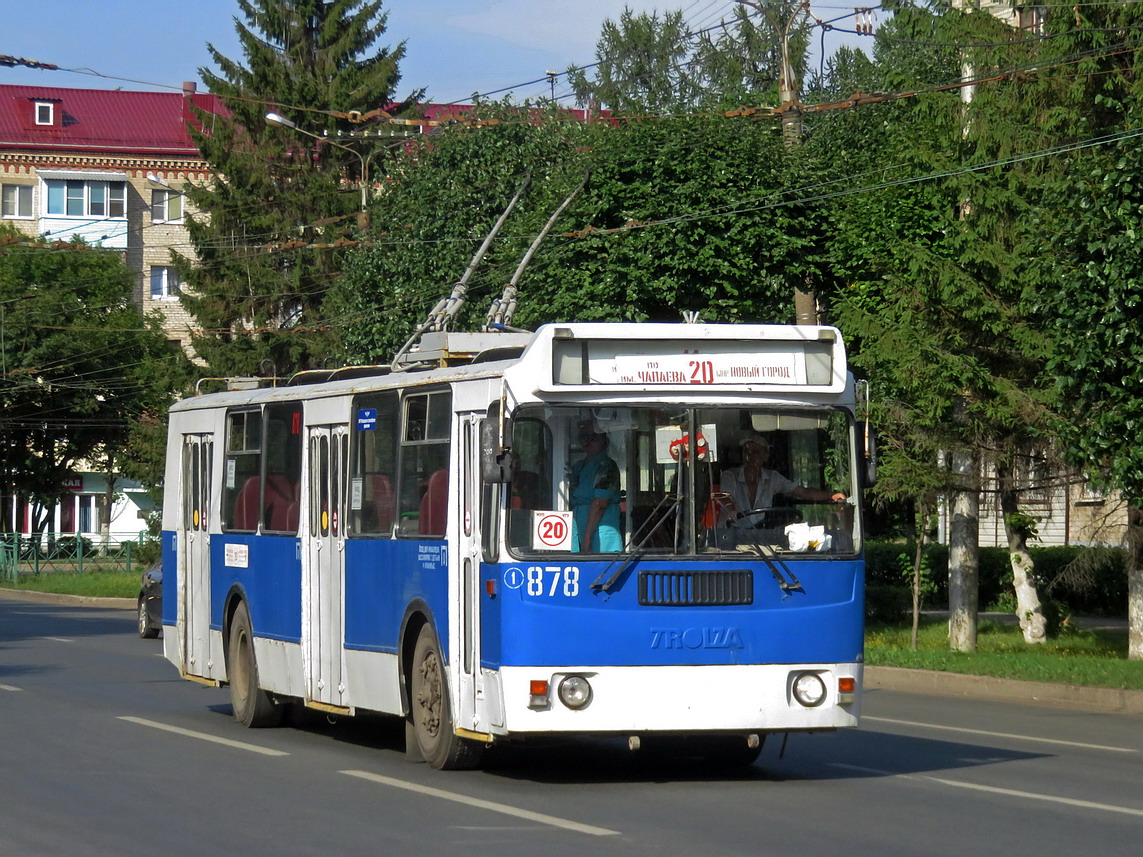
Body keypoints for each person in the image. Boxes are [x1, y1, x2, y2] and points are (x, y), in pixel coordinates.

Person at [720, 432, 846, 528]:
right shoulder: (730, 476)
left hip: (760, 536)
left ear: (765, 456)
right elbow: (726, 498)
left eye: (755, 452)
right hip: (732, 534)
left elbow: (803, 492)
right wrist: (731, 510)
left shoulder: (773, 478)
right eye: (746, 452)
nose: (749, 456)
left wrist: (831, 495)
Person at [569, 422, 622, 552]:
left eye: (593, 438)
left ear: (605, 441)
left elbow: (600, 504)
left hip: (601, 533)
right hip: (578, 528)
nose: (588, 442)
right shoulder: (578, 466)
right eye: (583, 437)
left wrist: (587, 538)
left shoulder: (607, 466)